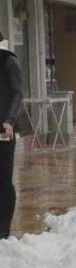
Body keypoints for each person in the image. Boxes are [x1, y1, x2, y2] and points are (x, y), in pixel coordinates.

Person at [0, 33, 22, 239]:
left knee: (3, 179)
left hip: (2, 129)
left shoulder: (7, 60)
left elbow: (17, 93)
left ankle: (3, 227)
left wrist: (10, 121)